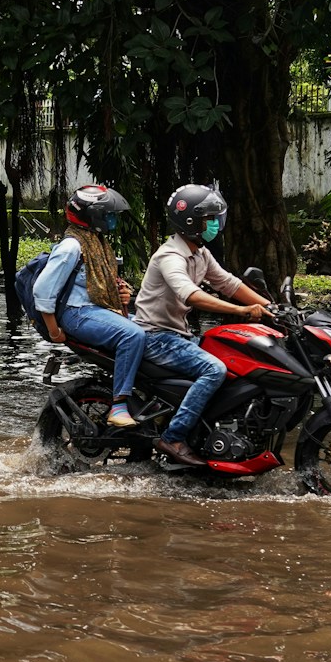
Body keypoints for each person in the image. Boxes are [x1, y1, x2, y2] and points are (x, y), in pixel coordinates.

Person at [132, 184, 273, 467]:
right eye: (210, 218)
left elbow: (229, 283)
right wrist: (242, 311)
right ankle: (173, 437)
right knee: (214, 368)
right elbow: (191, 294)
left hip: (178, 335)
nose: (215, 224)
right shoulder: (169, 256)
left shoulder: (200, 253)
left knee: (235, 358)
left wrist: (272, 309)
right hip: (156, 337)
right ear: (192, 222)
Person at [34, 184, 148, 427]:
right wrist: (55, 332)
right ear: (91, 216)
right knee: (133, 335)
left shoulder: (98, 243)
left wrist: (121, 296)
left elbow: (100, 284)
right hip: (77, 314)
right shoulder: (72, 246)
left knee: (151, 327)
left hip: (96, 310)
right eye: (106, 215)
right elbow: (43, 291)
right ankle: (119, 406)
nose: (111, 219)